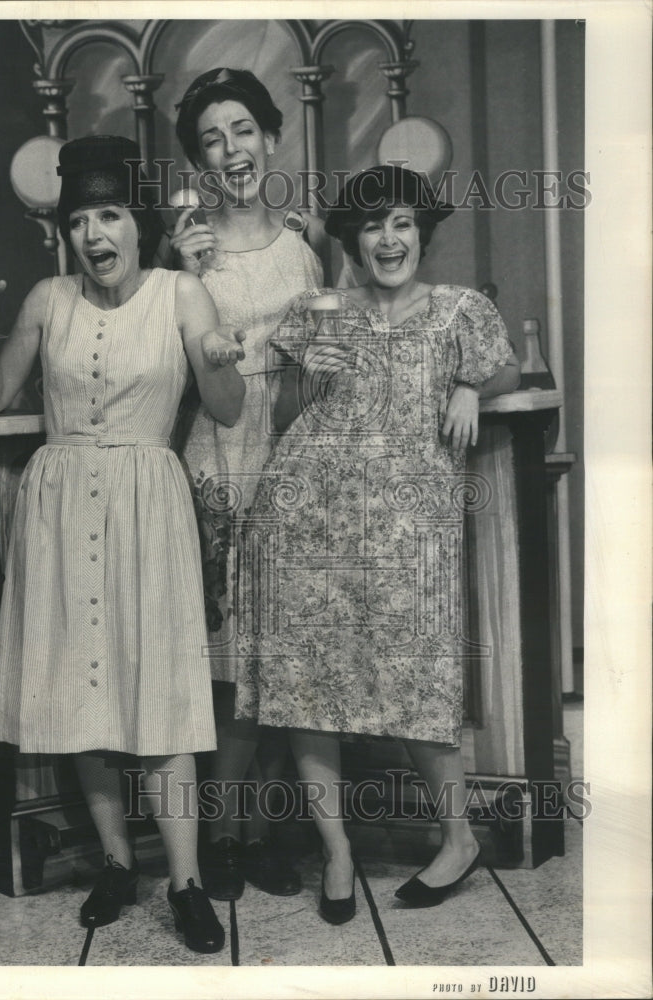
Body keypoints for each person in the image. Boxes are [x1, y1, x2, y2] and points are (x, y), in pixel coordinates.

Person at [0, 135, 247, 954]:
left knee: (159, 700)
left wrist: (222, 357)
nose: (94, 235)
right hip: (57, 509)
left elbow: (224, 407)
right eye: (80, 219)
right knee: (81, 693)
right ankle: (117, 863)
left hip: (147, 506)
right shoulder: (48, 299)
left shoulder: (180, 292)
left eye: (110, 215)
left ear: (138, 222)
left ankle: (186, 881)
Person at [234, 164, 521, 920]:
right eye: (371, 225)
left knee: (419, 688)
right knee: (307, 692)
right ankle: (335, 852)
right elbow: (283, 409)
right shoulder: (317, 309)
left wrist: (466, 386)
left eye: (400, 223)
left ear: (421, 231)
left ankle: (456, 839)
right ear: (352, 239)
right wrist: (308, 379)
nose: (388, 239)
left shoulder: (459, 310)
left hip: (407, 530)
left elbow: (507, 370)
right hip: (306, 519)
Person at [166, 67, 325, 902]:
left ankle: (258, 830)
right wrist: (172, 276)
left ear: (270, 139)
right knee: (228, 663)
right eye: (210, 140)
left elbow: (330, 356)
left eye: (241, 131)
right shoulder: (185, 249)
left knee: (281, 659)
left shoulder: (304, 247)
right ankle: (222, 835)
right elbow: (162, 369)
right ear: (198, 160)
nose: (229, 151)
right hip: (214, 460)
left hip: (290, 457)